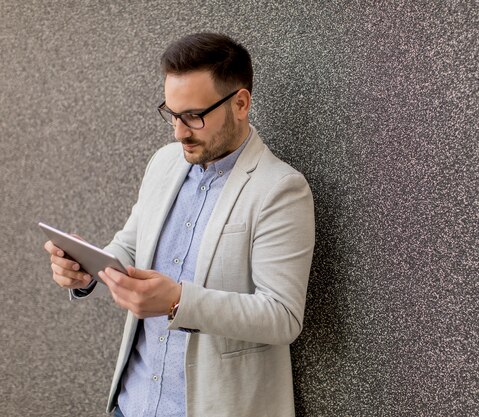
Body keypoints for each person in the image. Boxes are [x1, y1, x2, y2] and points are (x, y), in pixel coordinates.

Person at [43, 32, 315, 417]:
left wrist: (178, 302)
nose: (179, 132)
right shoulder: (164, 163)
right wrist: (85, 267)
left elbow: (282, 317)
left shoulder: (280, 188)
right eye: (172, 114)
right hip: (131, 404)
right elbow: (131, 247)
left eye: (194, 116)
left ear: (240, 103)